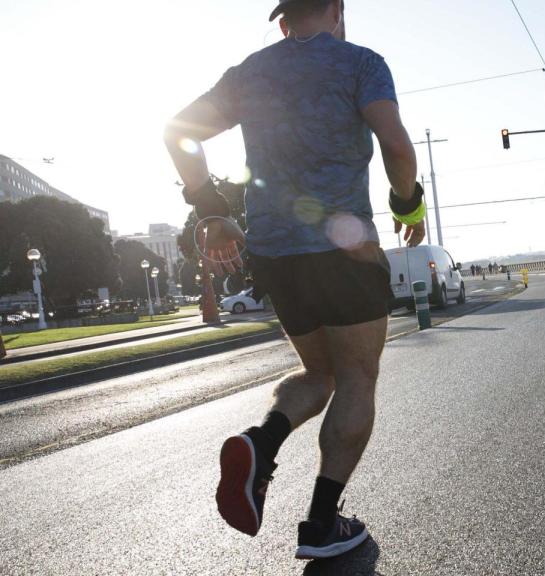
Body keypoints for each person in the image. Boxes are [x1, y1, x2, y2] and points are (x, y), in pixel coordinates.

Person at [163, 0, 425, 561]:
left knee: (319, 372)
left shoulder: (249, 73)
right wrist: (408, 206)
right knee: (356, 377)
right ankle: (322, 524)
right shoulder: (361, 63)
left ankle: (260, 443)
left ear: (282, 20)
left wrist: (210, 208)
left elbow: (177, 131)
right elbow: (397, 147)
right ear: (336, 11)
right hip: (344, 249)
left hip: (274, 253)